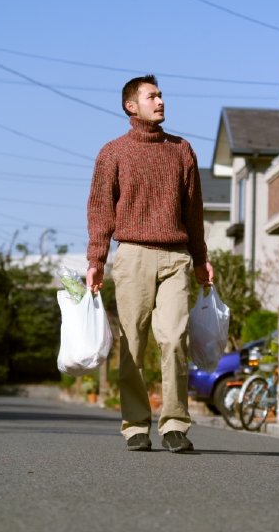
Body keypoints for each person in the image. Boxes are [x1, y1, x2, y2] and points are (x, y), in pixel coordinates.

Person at [86, 75, 213, 453]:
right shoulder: (113, 153)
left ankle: (174, 423)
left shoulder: (181, 150)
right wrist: (96, 259)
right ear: (132, 106)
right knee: (133, 343)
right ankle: (135, 424)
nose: (160, 101)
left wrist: (202, 258)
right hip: (133, 256)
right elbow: (100, 210)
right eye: (151, 96)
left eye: (160, 95)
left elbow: (194, 213)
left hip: (176, 256)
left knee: (174, 339)